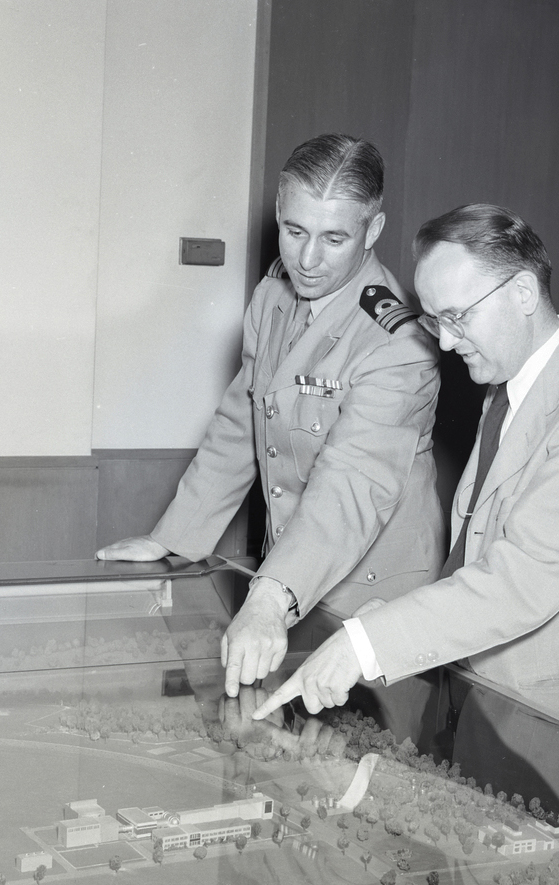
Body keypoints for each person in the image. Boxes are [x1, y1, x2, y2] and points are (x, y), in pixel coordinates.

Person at [256, 203, 559, 761]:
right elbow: (474, 558)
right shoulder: (507, 385)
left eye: (458, 317)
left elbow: (518, 583)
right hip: (485, 703)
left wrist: (365, 643)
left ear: (523, 293)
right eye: (433, 320)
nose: (444, 343)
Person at [98, 134, 444, 718]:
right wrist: (175, 537)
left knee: (360, 782)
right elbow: (242, 420)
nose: (308, 260)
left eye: (335, 238)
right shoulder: (274, 295)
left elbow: (353, 482)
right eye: (294, 231)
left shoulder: (398, 342)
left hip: (369, 596)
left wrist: (269, 596)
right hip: (287, 578)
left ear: (374, 230)